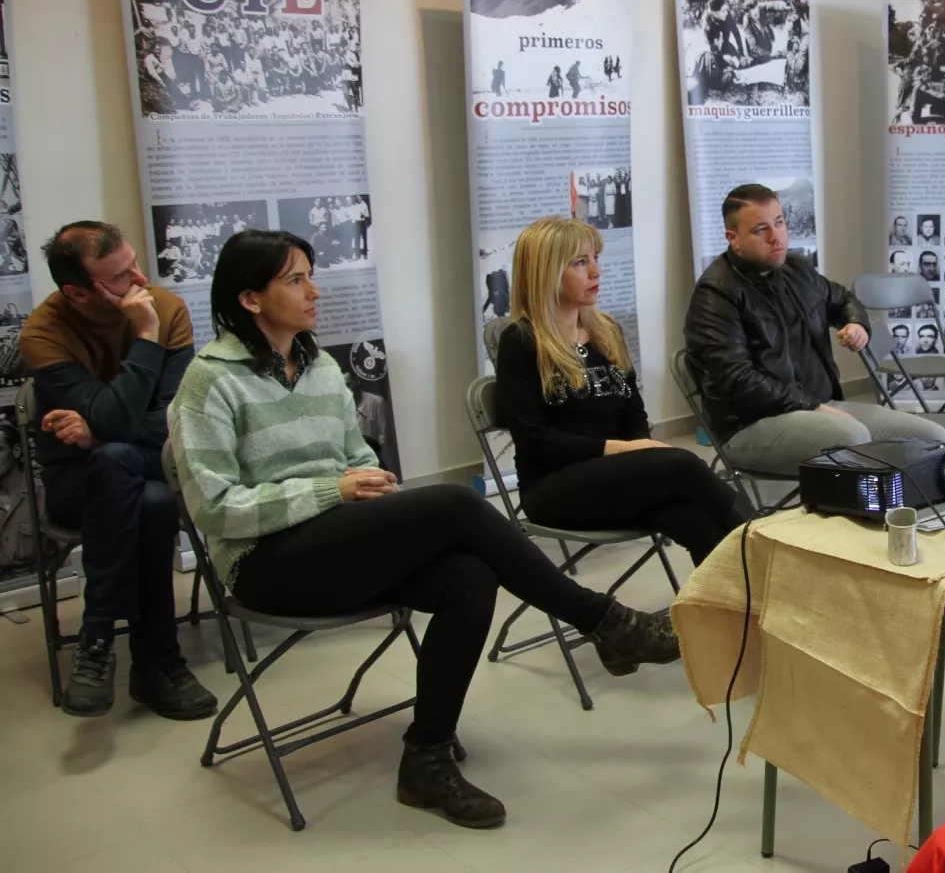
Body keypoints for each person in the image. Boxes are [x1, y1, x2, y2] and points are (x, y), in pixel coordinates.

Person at [170, 230, 679, 830]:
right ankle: (602, 620)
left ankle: (426, 758)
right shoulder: (210, 381)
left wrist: (362, 476)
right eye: (296, 279)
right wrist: (329, 490)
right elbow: (215, 507)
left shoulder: (319, 366)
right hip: (265, 564)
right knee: (454, 506)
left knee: (469, 575)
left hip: (339, 539)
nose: (314, 291)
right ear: (251, 299)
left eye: (311, 275)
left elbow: (354, 451)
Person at [19, 222, 218, 719]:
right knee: (142, 496)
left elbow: (175, 419)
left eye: (133, 262)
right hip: (75, 480)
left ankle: (98, 637)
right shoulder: (43, 332)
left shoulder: (165, 308)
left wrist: (101, 430)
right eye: (120, 276)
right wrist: (145, 339)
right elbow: (119, 420)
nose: (140, 279)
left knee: (116, 457)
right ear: (77, 292)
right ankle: (157, 663)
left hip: (153, 461)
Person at [495, 217, 749, 564]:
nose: (596, 272)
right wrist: (626, 450)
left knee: (693, 520)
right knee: (679, 463)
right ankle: (766, 544)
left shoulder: (606, 331)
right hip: (553, 488)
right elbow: (534, 438)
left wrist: (637, 449)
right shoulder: (521, 341)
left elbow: (634, 413)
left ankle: (731, 609)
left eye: (596, 258)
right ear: (546, 272)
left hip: (617, 478)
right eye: (580, 263)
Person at [685, 184, 945, 474]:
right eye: (761, 230)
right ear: (733, 239)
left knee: (934, 440)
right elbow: (738, 379)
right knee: (852, 438)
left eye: (780, 223)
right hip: (749, 424)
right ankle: (858, 510)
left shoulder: (796, 269)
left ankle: (908, 514)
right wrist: (810, 406)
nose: (776, 237)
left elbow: (842, 299)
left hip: (821, 406)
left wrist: (855, 323)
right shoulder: (715, 295)